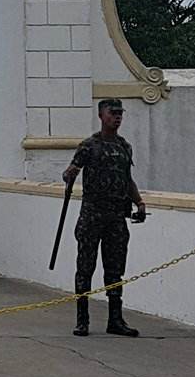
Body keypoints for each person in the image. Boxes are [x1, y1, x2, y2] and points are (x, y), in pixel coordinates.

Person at [62, 98, 145, 337]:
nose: (117, 117)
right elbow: (71, 170)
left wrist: (139, 202)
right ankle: (82, 320)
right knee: (85, 267)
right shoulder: (89, 146)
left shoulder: (124, 146)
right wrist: (69, 174)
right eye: (112, 113)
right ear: (101, 116)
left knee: (115, 269)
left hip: (116, 216)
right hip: (92, 215)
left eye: (120, 113)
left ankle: (115, 320)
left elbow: (127, 179)